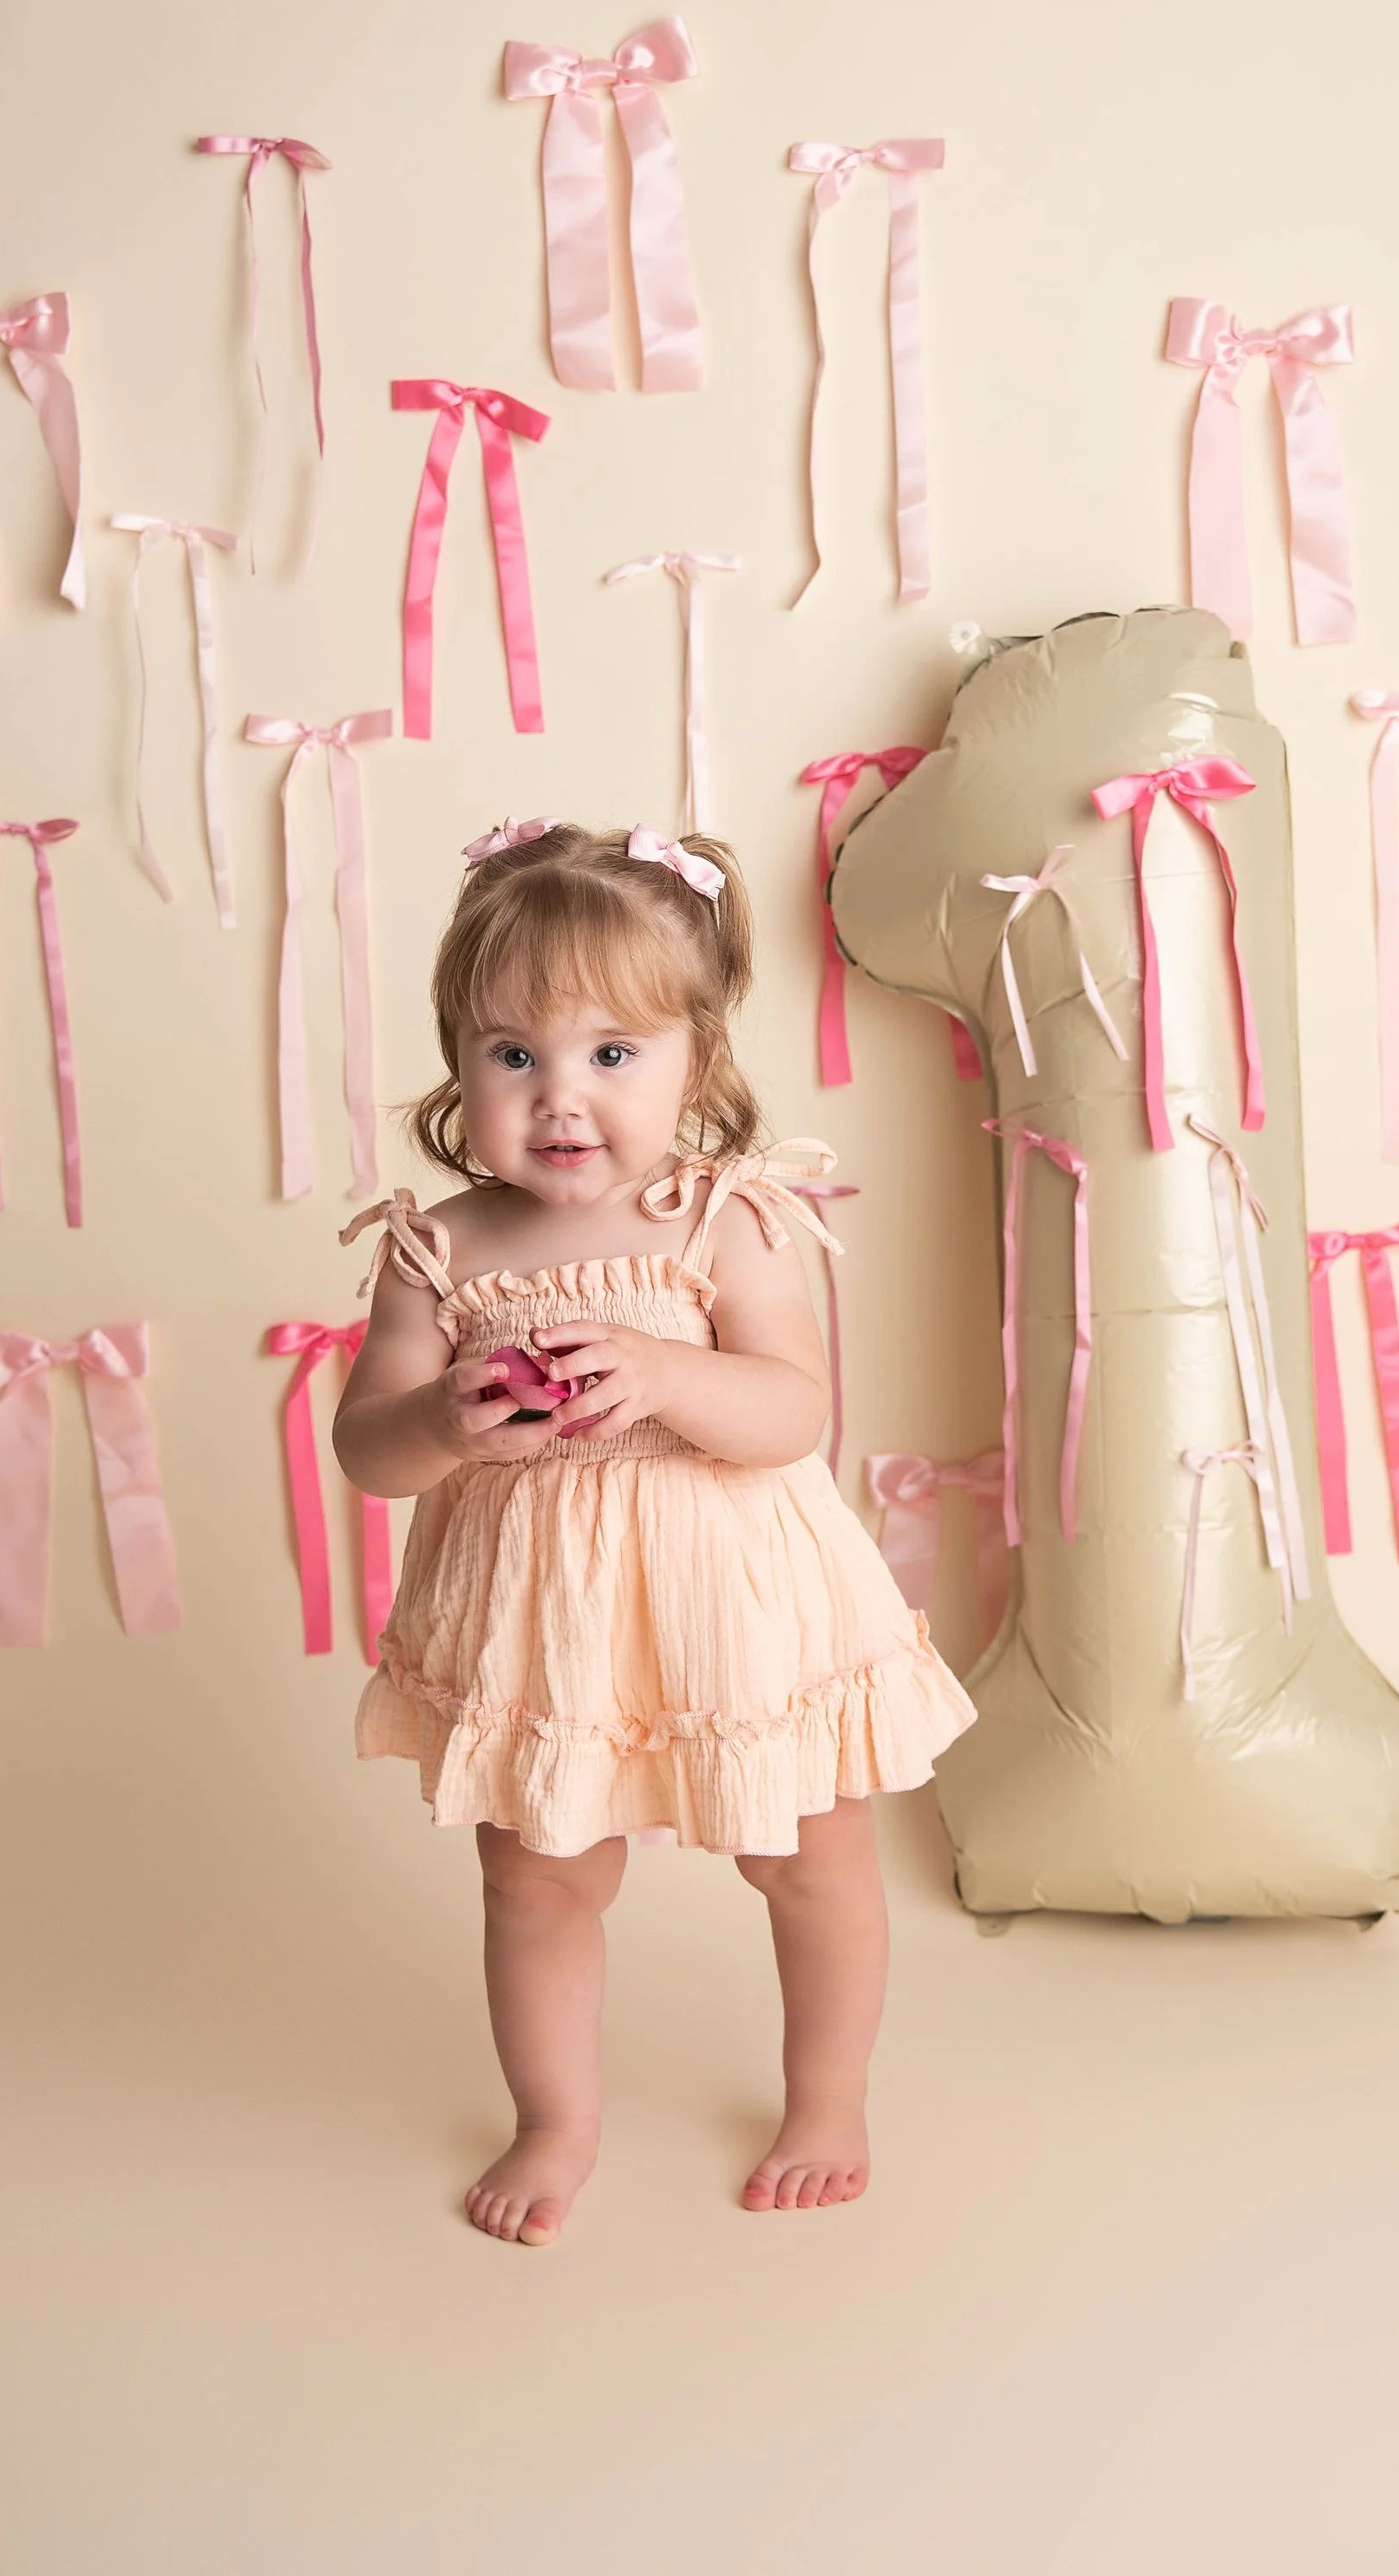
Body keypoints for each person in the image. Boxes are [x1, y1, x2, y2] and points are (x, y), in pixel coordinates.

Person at [334, 818, 976, 2246]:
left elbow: (794, 1411)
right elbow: (366, 1450)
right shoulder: (437, 1248)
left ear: (698, 1056)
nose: (562, 1097)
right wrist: (445, 1418)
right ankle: (555, 2119)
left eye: (613, 1054)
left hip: (741, 1606)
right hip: (546, 1626)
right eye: (514, 1055)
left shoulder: (719, 1220)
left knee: (810, 1856)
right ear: (459, 1062)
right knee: (537, 1878)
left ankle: (828, 2094)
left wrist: (673, 1375)